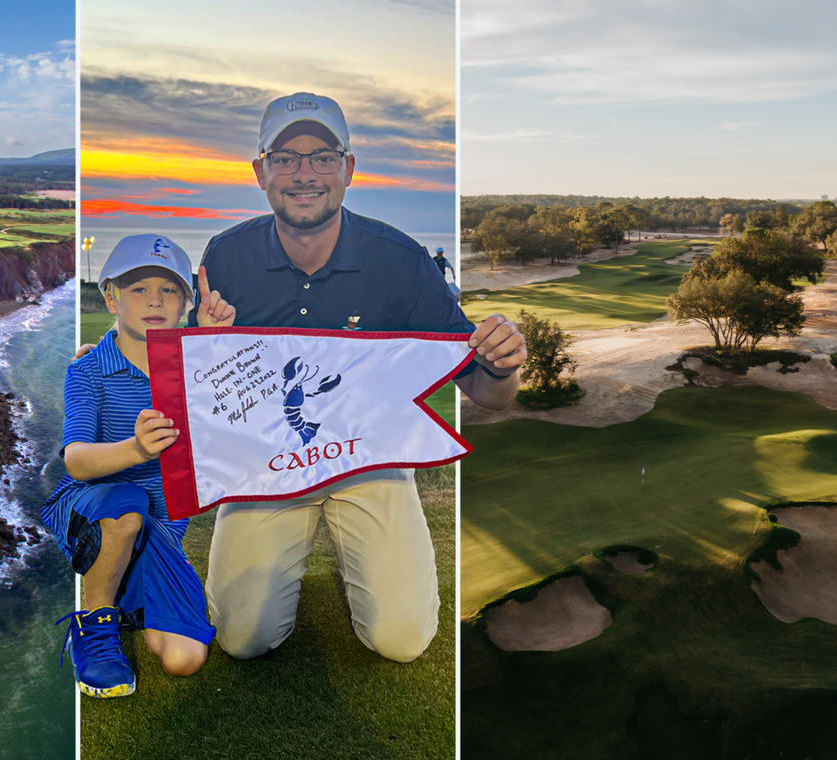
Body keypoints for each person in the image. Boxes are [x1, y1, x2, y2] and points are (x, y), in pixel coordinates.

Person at [189, 92, 526, 663]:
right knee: (244, 640)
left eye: (322, 156)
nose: (304, 174)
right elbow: (200, 392)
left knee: (402, 641)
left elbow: (488, 394)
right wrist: (204, 343)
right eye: (285, 158)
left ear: (348, 168)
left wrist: (503, 364)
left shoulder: (401, 261)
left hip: (369, 459)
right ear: (260, 172)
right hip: (269, 462)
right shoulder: (225, 257)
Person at [42, 234, 232, 698]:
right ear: (110, 298)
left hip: (163, 530)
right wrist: (137, 450)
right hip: (93, 507)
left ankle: (127, 586)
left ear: (186, 303)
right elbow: (77, 460)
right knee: (127, 505)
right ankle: (97, 622)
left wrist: (209, 342)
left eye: (169, 290)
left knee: (185, 659)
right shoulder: (87, 370)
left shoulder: (197, 364)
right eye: (138, 288)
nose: (154, 300)